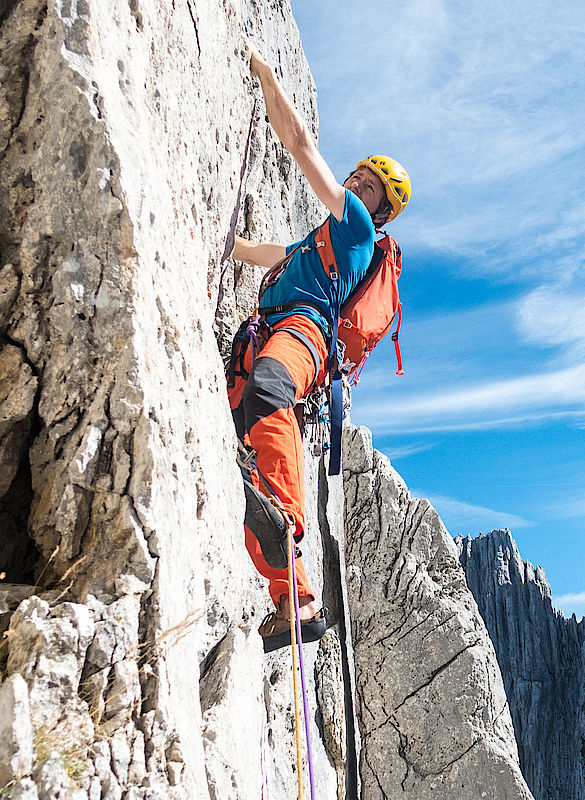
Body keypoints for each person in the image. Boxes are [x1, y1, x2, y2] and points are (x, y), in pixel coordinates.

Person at [227, 48, 410, 652]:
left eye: (370, 184)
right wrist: (224, 243)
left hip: (302, 335)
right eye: (358, 174)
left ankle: (285, 517)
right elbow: (264, 255)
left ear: (380, 209)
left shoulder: (356, 228)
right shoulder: (319, 244)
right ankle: (294, 596)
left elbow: (302, 147)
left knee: (271, 392)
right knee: (251, 443)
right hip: (270, 331)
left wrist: (262, 76)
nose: (357, 182)